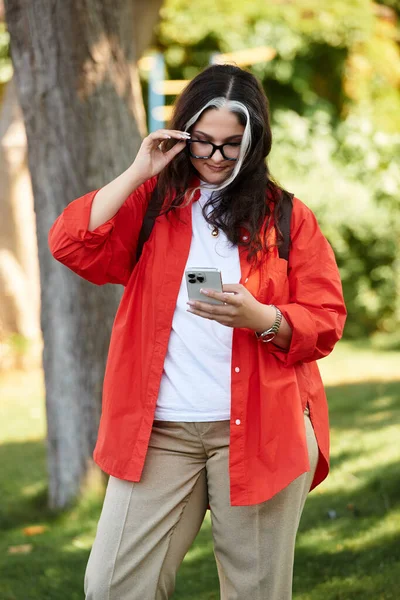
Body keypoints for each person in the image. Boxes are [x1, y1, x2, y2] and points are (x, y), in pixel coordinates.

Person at [48, 63, 346, 600]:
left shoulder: (287, 217)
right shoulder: (152, 205)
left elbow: (325, 318)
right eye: (202, 142)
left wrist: (265, 320)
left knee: (255, 592)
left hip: (262, 425)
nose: (214, 157)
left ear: (255, 142)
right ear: (182, 135)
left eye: (232, 145)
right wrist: (140, 170)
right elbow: (71, 243)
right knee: (113, 586)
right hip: (161, 433)